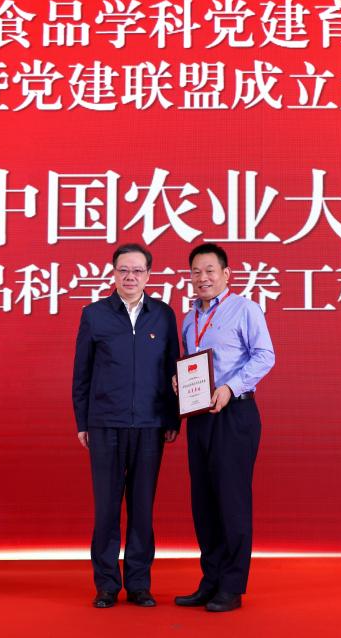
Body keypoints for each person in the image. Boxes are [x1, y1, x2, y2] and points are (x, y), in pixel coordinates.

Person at [72, 243, 180, 609]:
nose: (130, 276)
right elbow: (82, 374)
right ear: (114, 273)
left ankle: (138, 584)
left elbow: (173, 369)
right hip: (105, 424)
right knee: (106, 508)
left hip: (150, 425)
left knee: (142, 508)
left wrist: (172, 417)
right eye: (123, 270)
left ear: (149, 275)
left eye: (137, 270)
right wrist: (83, 421)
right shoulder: (94, 315)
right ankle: (106, 584)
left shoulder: (162, 315)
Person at [174, 243, 275, 612]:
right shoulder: (189, 318)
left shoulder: (245, 309)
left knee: (231, 501)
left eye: (210, 271)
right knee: (204, 503)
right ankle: (211, 580)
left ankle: (232, 587)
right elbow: (192, 363)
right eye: (196, 272)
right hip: (200, 417)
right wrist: (179, 381)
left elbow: (265, 355)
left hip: (235, 414)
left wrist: (231, 388)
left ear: (226, 274)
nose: (203, 278)